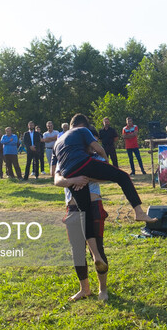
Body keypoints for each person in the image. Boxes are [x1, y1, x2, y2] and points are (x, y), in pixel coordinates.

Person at [52, 113, 156, 223]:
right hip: (80, 175)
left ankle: (75, 217)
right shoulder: (82, 131)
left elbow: (54, 173)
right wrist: (107, 162)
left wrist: (81, 178)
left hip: (71, 173)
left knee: (83, 202)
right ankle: (139, 212)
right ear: (83, 125)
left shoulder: (61, 143)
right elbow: (100, 150)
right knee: (123, 176)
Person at [53, 125, 110, 302]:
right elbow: (56, 179)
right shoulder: (64, 157)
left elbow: (108, 174)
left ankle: (103, 289)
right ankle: (84, 288)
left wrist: (85, 177)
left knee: (97, 248)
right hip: (72, 208)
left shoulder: (97, 157)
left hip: (93, 205)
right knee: (77, 250)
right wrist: (72, 180)